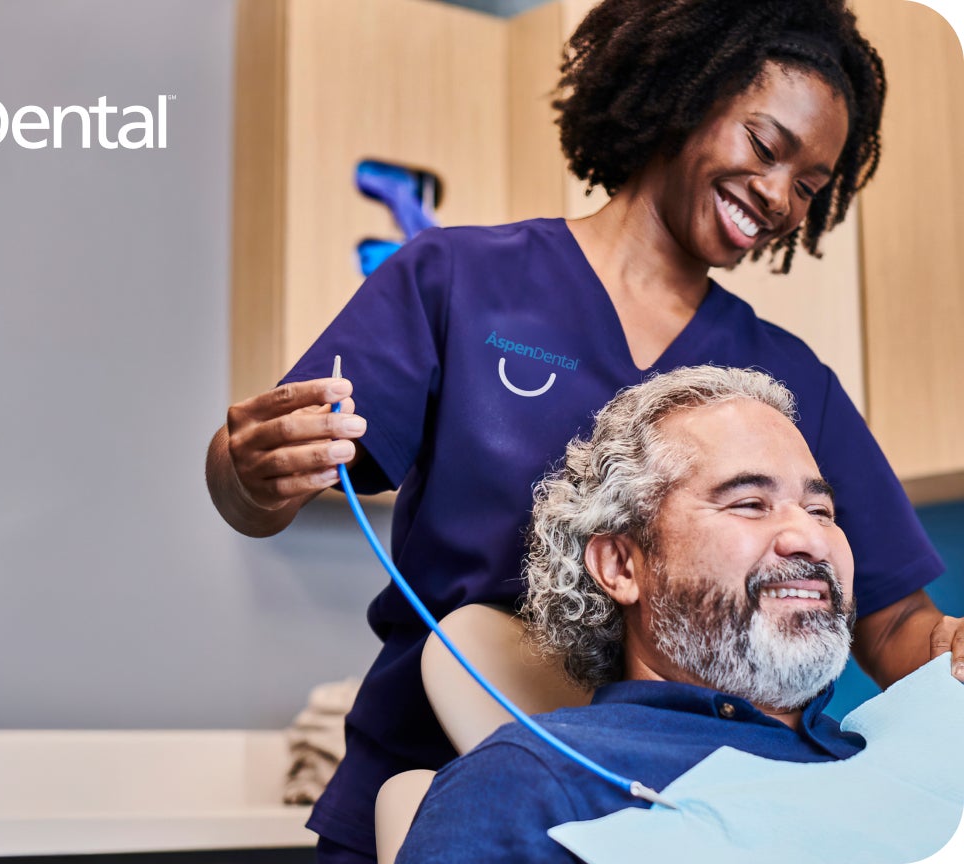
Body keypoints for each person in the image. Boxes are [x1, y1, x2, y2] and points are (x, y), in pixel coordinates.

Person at [205, 1, 964, 860]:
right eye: (765, 146)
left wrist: (953, 653)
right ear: (688, 94)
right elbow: (263, 484)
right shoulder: (462, 281)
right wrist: (245, 470)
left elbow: (900, 624)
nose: (782, 197)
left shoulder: (788, 379)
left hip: (699, 806)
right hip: (453, 778)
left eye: (811, 186)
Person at [395, 365, 869, 863]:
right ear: (622, 565)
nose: (812, 540)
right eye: (750, 503)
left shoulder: (890, 749)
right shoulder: (527, 785)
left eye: (821, 513)